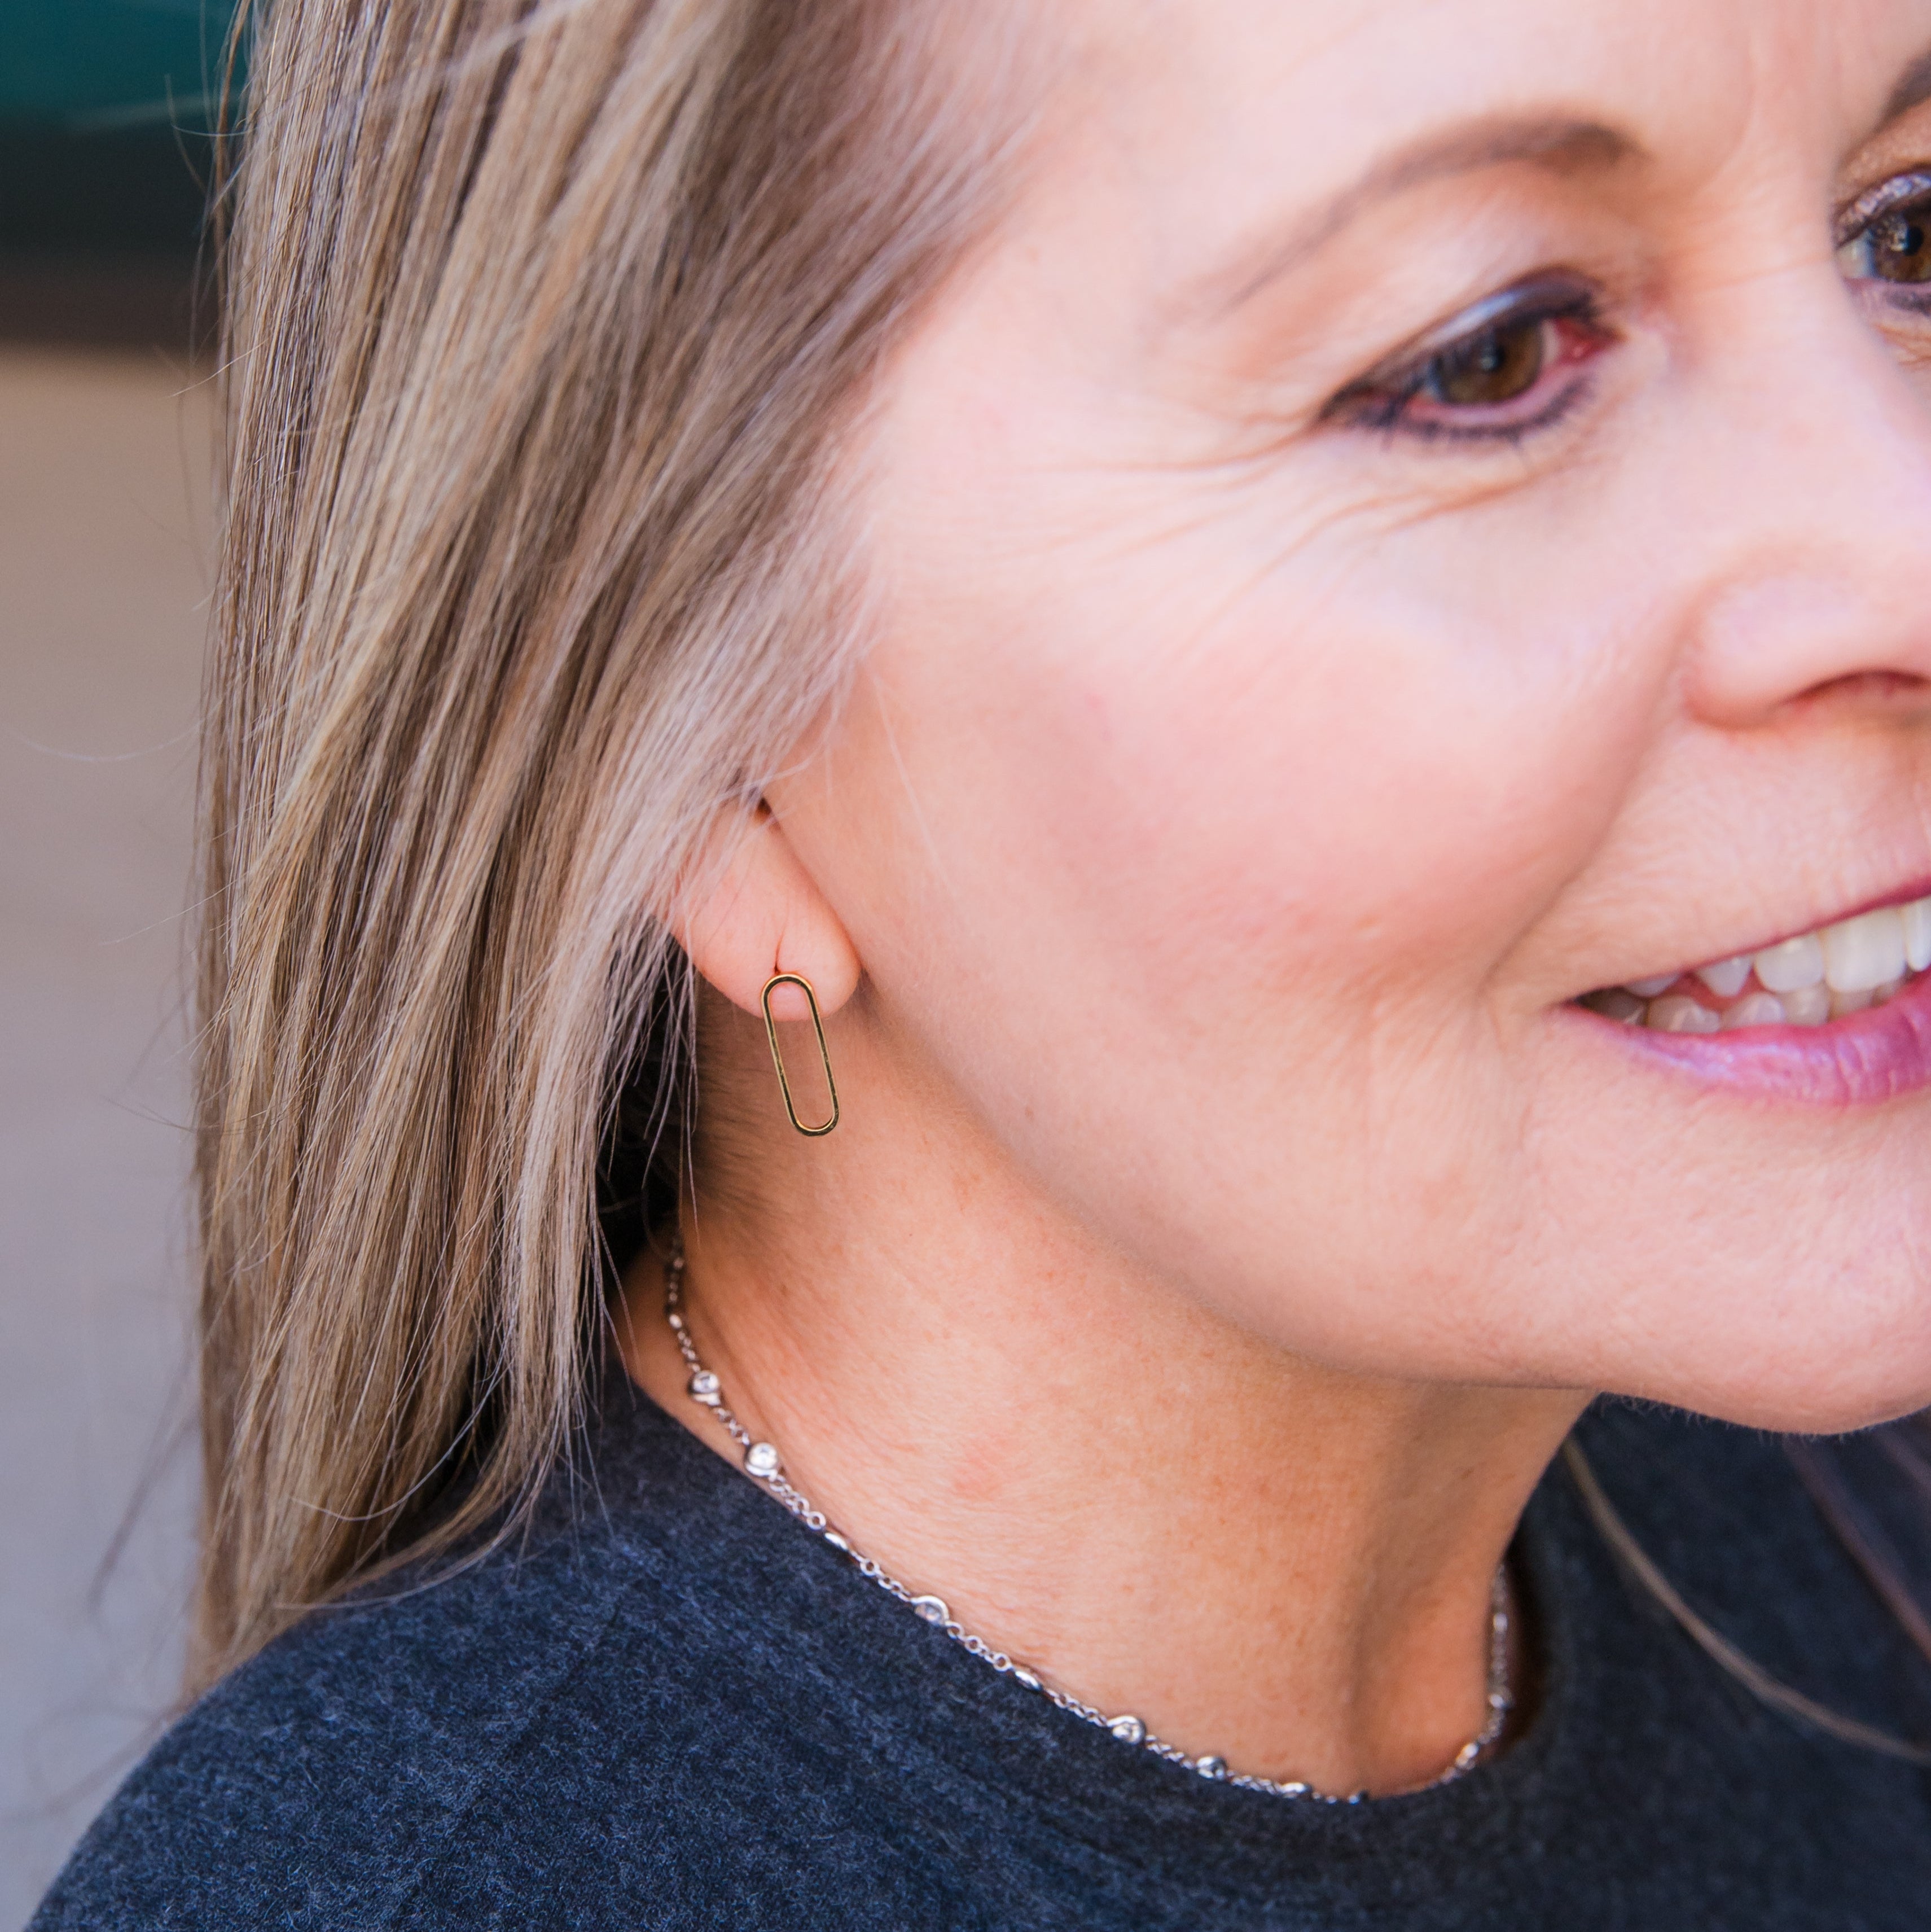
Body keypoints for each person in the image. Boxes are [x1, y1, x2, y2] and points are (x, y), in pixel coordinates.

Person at [33, 0, 1931, 1923]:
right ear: (698, 758)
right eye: (1488, 357)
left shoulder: (1838, 1516)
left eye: (1912, 230)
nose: (1900, 528)